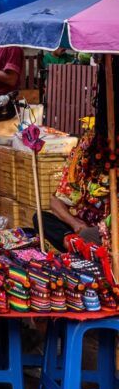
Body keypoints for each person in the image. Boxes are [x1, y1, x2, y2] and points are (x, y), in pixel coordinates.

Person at [35, 59, 117, 250]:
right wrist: (77, 225)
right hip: (85, 226)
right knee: (41, 218)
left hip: (110, 229)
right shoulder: (88, 146)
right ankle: (78, 243)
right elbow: (56, 201)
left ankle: (83, 245)